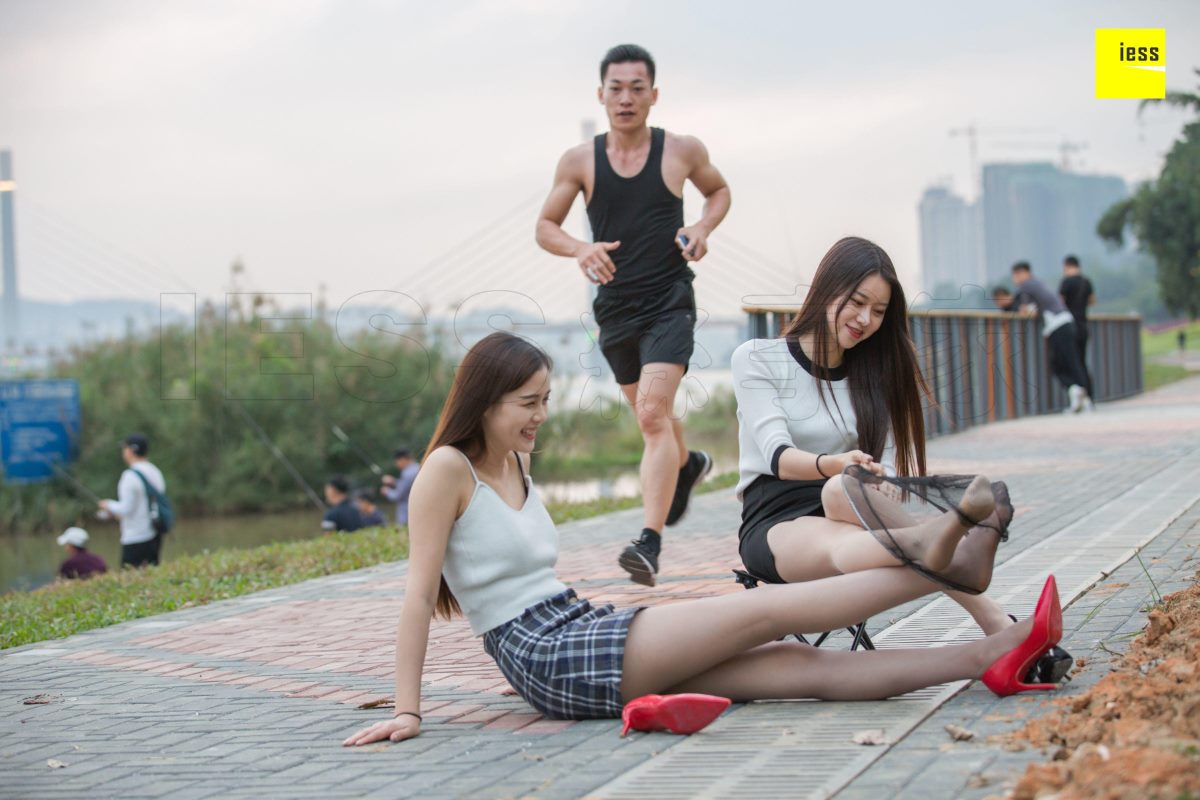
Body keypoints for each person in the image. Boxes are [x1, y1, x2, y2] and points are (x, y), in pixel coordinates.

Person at [343, 332, 1064, 747]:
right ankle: (942, 559)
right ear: (484, 401)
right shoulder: (447, 470)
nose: (540, 417)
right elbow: (418, 597)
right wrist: (408, 710)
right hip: (544, 653)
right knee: (764, 610)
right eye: (527, 403)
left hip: (574, 623)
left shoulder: (516, 461)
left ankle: (993, 656)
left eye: (546, 401)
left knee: (796, 667)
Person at [731, 237, 1071, 683]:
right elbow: (777, 456)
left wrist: (882, 481)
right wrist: (837, 464)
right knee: (841, 496)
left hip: (851, 506)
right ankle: (989, 610)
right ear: (825, 289)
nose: (865, 320)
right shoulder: (758, 357)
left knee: (844, 488)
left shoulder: (873, 373)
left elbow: (887, 465)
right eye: (857, 303)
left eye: (878, 311)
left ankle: (957, 572)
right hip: (777, 521)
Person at [535, 44, 732, 586]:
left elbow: (717, 191)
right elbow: (545, 227)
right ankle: (687, 465)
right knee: (655, 415)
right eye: (616, 88)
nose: (626, 98)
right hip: (615, 308)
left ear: (653, 95)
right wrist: (579, 248)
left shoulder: (682, 151)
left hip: (669, 300)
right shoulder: (579, 161)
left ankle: (649, 542)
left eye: (636, 88)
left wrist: (702, 227)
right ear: (601, 95)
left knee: (650, 416)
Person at [994, 262, 1092, 413]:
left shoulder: (1026, 286)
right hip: (1064, 322)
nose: (1015, 279)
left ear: (1022, 273)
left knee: (1062, 365)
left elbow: (1025, 310)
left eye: (1015, 275)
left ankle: (1081, 395)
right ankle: (1081, 396)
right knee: (1068, 363)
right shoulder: (1037, 284)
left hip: (1057, 324)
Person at [99, 433, 167, 568]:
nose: (123, 452)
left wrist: (108, 505)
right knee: (152, 574)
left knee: (130, 575)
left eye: (125, 448)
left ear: (131, 451)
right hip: (155, 534)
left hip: (135, 537)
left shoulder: (129, 476)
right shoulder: (155, 472)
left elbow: (126, 509)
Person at [1058, 255, 1096, 400]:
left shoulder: (1066, 282)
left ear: (1067, 266)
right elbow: (1092, 300)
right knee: (1082, 362)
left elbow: (1060, 302)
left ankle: (1080, 394)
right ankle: (1090, 396)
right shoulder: (1086, 281)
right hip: (1083, 325)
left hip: (1070, 325)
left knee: (1072, 363)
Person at [380, 448, 420, 526]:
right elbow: (408, 487)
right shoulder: (417, 467)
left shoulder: (407, 474)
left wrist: (387, 491)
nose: (396, 464)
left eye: (396, 462)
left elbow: (398, 496)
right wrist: (394, 481)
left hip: (407, 514)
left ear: (402, 460)